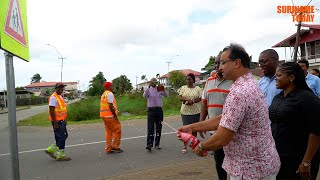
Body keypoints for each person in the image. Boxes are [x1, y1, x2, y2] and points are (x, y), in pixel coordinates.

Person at [178, 43, 280, 179]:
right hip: (259, 165)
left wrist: (201, 147)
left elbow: (222, 137)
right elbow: (226, 119)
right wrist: (192, 127)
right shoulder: (247, 84)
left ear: (236, 63)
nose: (219, 68)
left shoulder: (240, 92)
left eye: (223, 63)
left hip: (250, 170)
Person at [269, 62, 320, 180]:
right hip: (279, 156)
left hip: (298, 158)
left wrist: (306, 162)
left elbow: (316, 131)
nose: (276, 78)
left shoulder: (307, 98)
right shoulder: (278, 97)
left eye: (279, 75)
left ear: (291, 77)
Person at [199, 53, 232, 180]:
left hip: (230, 131)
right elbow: (204, 102)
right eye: (216, 63)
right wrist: (201, 123)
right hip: (214, 131)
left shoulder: (233, 82)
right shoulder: (209, 81)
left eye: (221, 63)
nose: (218, 65)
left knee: (233, 162)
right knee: (219, 162)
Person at [45, 82, 71, 161]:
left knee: (63, 136)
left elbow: (62, 109)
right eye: (59, 88)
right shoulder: (53, 97)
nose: (61, 89)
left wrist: (64, 120)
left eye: (62, 88)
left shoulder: (60, 96)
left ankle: (50, 150)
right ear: (55, 88)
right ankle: (61, 155)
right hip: (57, 121)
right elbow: (51, 110)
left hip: (61, 120)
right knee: (61, 137)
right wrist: (55, 123)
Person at [177, 73, 202, 154]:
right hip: (185, 112)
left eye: (189, 79)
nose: (188, 81)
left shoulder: (198, 88)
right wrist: (187, 99)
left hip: (195, 111)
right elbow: (180, 97)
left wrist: (193, 101)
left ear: (193, 80)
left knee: (194, 129)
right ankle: (184, 145)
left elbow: (200, 98)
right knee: (185, 130)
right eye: (187, 79)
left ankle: (193, 144)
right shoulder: (183, 88)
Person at [143, 78, 167, 151]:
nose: (154, 83)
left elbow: (166, 95)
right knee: (150, 128)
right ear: (150, 82)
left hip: (159, 110)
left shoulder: (159, 88)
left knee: (158, 127)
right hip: (151, 110)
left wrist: (162, 88)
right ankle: (149, 144)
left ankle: (157, 144)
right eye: (152, 82)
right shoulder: (148, 89)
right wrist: (148, 87)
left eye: (155, 82)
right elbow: (144, 96)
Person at [100, 82, 123, 154]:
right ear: (109, 87)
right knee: (117, 130)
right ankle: (116, 146)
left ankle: (109, 148)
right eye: (112, 86)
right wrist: (115, 116)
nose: (112, 87)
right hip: (110, 115)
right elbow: (111, 106)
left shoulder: (104, 94)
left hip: (104, 115)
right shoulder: (110, 94)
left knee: (109, 132)